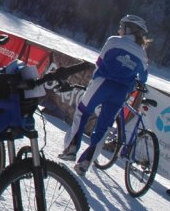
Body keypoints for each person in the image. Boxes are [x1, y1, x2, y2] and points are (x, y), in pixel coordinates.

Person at [60, 14, 150, 177]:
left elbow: (100, 62)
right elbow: (143, 78)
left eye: (121, 26)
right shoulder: (142, 53)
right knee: (103, 127)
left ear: (128, 28)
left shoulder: (113, 41)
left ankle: (72, 148)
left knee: (83, 111)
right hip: (122, 91)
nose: (119, 29)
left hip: (103, 83)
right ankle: (85, 163)